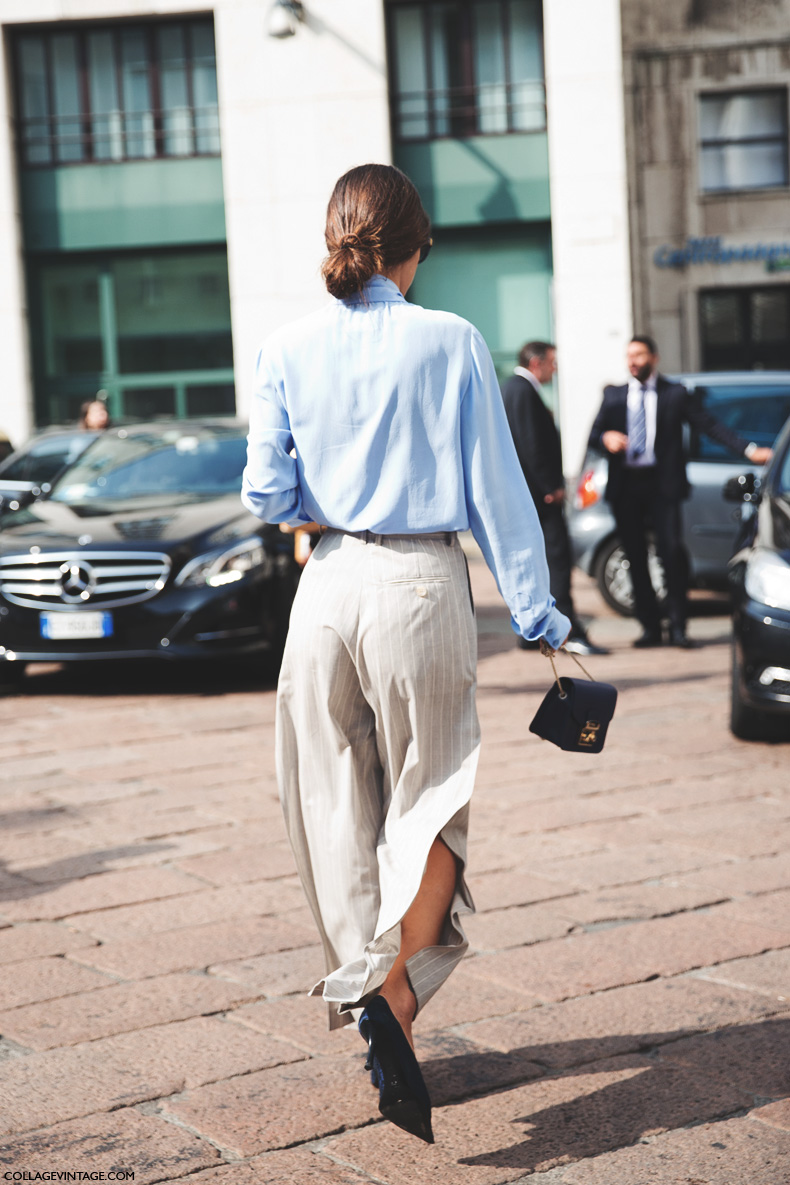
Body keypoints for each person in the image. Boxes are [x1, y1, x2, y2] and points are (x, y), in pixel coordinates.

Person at [241, 164, 570, 1144]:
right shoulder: (452, 340)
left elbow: (265, 495)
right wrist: (539, 614)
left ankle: (370, 1002)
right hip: (420, 583)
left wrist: (327, 507)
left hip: (326, 585)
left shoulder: (286, 344)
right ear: (415, 247)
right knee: (430, 810)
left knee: (331, 805)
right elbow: (495, 492)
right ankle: (394, 1005)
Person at [588, 335, 772, 648]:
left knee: (671, 554)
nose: (633, 361)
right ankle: (649, 629)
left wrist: (748, 449)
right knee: (635, 554)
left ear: (654, 358)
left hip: (663, 487)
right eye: (629, 355)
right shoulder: (615, 396)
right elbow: (594, 436)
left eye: (639, 355)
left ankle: (677, 628)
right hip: (627, 487)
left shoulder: (674, 394)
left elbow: (710, 426)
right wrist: (606, 438)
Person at [502, 341, 608, 657]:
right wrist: (550, 486)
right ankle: (565, 631)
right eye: (551, 362)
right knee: (557, 561)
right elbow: (529, 443)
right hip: (540, 496)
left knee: (535, 564)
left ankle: (532, 633)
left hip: (530, 495)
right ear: (536, 363)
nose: (555, 368)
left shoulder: (515, 389)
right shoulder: (521, 390)